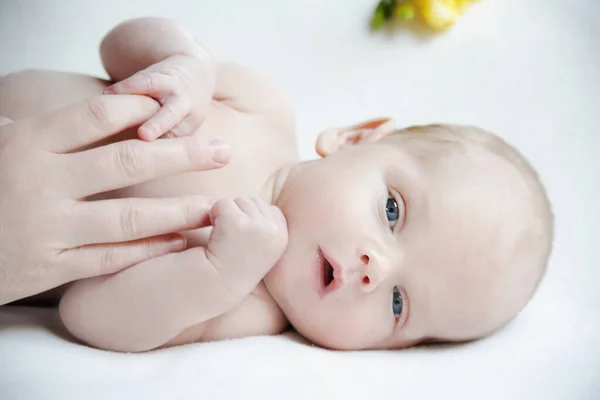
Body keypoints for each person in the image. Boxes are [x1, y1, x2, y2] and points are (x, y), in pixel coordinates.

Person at [0, 17, 553, 352]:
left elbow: (86, 315)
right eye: (391, 212)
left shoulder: (250, 303)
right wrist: (184, 62)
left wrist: (214, 273)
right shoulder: (264, 110)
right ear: (355, 138)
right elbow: (116, 47)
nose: (374, 270)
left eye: (398, 303)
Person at [0, 92, 230, 307]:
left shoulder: (251, 282)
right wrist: (184, 66)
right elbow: (113, 51)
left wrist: (221, 276)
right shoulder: (260, 102)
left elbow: (87, 311)